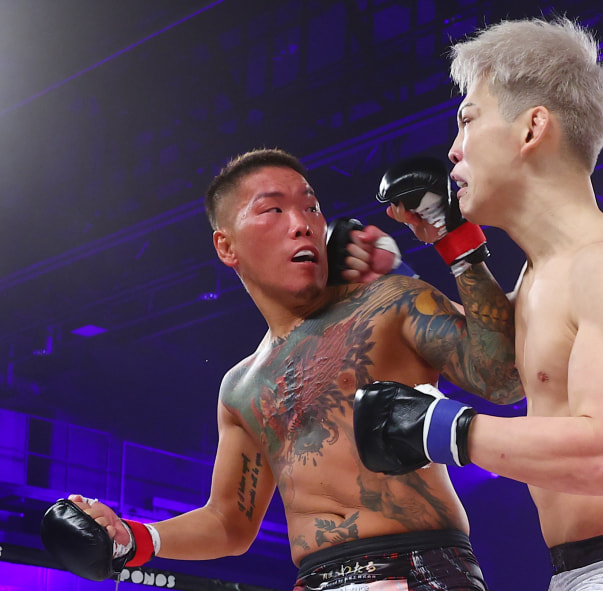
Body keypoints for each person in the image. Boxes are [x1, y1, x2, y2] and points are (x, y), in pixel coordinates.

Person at [50, 147, 523, 591]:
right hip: (312, 578)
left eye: (311, 207)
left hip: (416, 566)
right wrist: (133, 539)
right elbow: (229, 523)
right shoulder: (242, 387)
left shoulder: (390, 303)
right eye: (273, 210)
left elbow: (502, 379)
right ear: (226, 246)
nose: (301, 224)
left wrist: (454, 236)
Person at [353, 17, 603, 591]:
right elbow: (497, 373)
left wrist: (440, 427)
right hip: (583, 570)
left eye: (468, 120)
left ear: (532, 128)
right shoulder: (544, 276)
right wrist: (437, 256)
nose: (453, 150)